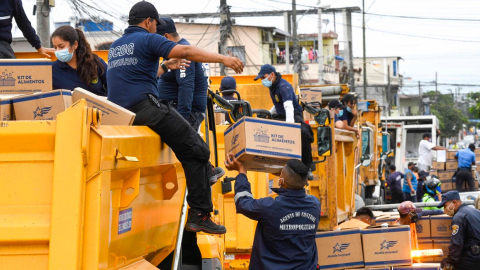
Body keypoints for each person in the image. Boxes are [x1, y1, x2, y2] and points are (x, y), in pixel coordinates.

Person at [107, 1, 244, 234]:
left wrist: (166, 66)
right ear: (149, 22)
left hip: (121, 114)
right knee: (200, 151)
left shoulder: (116, 47)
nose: (155, 29)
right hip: (146, 108)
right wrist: (223, 59)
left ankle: (205, 174)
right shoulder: (148, 38)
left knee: (191, 153)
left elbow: (136, 76)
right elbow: (187, 50)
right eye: (154, 25)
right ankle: (200, 214)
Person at [224, 154, 320, 270]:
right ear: (305, 183)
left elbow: (242, 202)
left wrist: (242, 173)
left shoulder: (270, 207)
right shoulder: (314, 204)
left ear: (281, 181)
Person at [254, 64, 314, 177]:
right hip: (281, 115)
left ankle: (308, 167)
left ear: (272, 74)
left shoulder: (283, 86)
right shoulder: (272, 86)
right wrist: (267, 114)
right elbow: (277, 105)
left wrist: (290, 128)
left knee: (303, 132)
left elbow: (288, 107)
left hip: (292, 115)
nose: (263, 81)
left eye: (264, 77)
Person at [156, 18, 208, 131]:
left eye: (156, 40)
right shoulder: (172, 52)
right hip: (171, 108)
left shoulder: (182, 53)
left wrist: (181, 121)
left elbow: (186, 86)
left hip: (187, 115)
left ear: (166, 37)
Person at [50, 26, 108, 96]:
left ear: (75, 45)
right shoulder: (52, 70)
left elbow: (113, 85)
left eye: (61, 46)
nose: (58, 51)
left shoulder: (95, 62)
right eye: (55, 47)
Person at [437, 191, 480, 270]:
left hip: (472, 259)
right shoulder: (475, 212)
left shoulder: (458, 217)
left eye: (445, 206)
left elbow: (456, 243)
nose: (444, 210)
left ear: (454, 202)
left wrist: (449, 264)